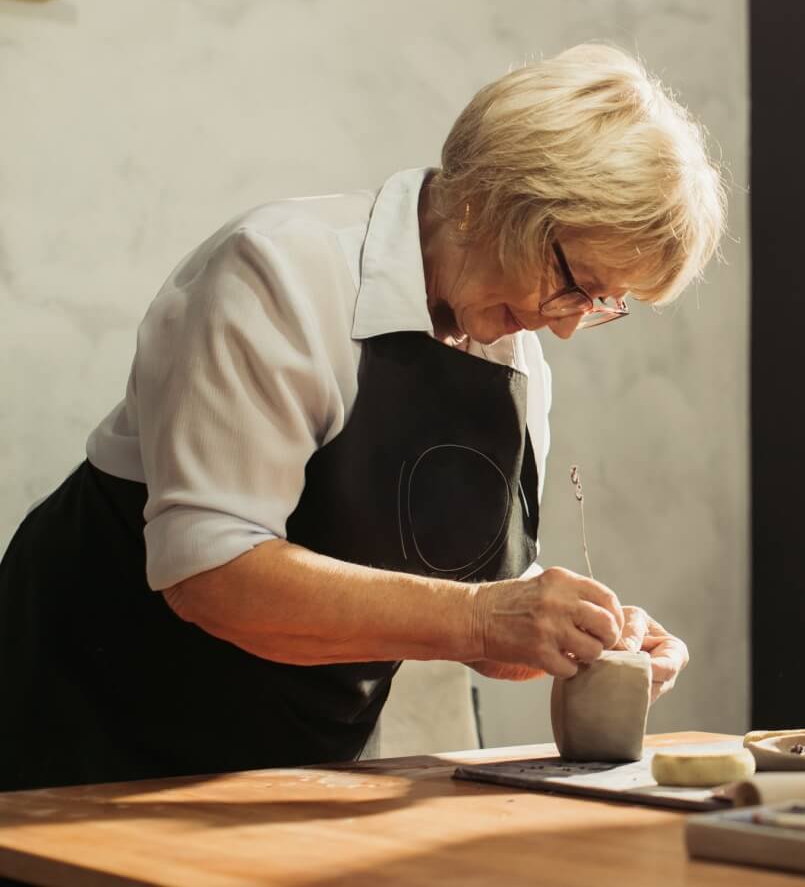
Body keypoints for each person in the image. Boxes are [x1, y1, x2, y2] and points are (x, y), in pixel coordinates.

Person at [0, 43, 727, 790]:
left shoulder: (515, 357)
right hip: (90, 723)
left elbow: (484, 613)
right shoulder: (281, 274)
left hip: (300, 758)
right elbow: (207, 570)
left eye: (604, 303)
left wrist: (584, 634)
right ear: (490, 197)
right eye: (575, 282)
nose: (569, 326)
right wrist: (486, 616)